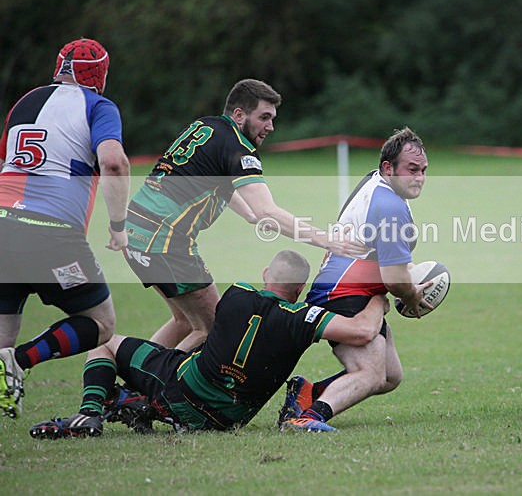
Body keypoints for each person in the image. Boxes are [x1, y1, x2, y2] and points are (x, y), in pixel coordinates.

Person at [29, 250, 389, 437]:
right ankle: (136, 401)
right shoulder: (303, 318)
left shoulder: (235, 294)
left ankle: (92, 412)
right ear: (298, 290)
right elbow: (362, 332)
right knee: (180, 359)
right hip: (227, 420)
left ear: (266, 275)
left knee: (105, 343)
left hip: (179, 390)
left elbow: (205, 325)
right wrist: (380, 296)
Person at [122, 79, 368, 352]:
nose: (270, 127)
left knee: (184, 320)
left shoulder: (206, 126)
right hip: (164, 240)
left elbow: (216, 180)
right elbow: (267, 211)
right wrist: (327, 241)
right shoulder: (238, 146)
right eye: (264, 117)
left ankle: (132, 383)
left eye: (272, 119)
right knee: (211, 326)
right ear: (239, 115)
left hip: (134, 230)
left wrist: (251, 216)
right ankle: (148, 385)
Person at [0, 38, 131, 419]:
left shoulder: (25, 101)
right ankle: (21, 362)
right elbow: (114, 162)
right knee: (101, 323)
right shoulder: (99, 105)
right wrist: (118, 225)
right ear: (101, 74)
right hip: (50, 231)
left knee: (1, 337)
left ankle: (8, 370)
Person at [278, 127, 430, 432]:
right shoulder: (389, 204)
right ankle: (307, 418)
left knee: (390, 375)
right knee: (371, 374)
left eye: (424, 170)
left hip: (348, 284)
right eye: (412, 170)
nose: (420, 177)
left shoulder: (379, 184)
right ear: (389, 168)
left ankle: (307, 393)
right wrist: (411, 295)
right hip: (343, 290)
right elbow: (395, 279)